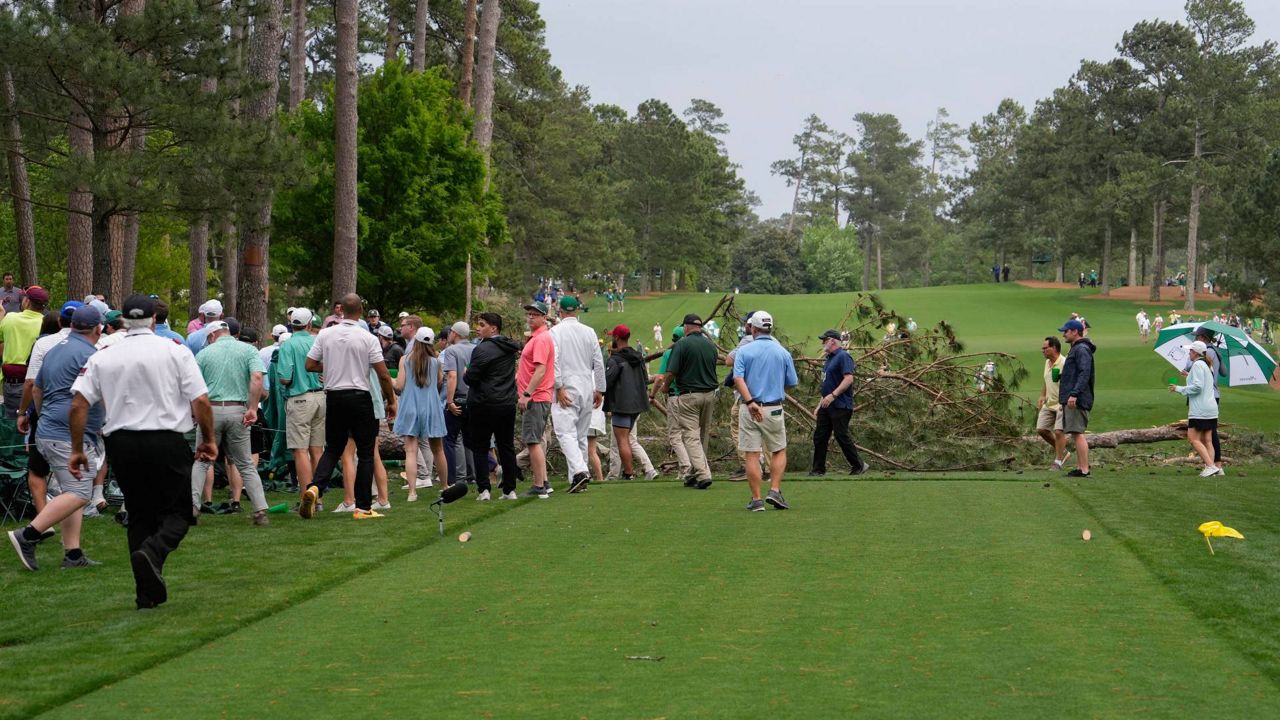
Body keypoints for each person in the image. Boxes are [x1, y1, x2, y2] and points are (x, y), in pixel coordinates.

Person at [67, 295, 216, 609]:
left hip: (122, 442)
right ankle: (154, 552)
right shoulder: (174, 350)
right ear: (153, 320)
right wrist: (208, 439)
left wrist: (78, 449)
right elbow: (200, 401)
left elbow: (79, 404)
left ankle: (146, 593)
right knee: (179, 514)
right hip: (165, 438)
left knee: (139, 514)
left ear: (121, 321)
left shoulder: (104, 353)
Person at [8, 305, 107, 571]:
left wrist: (45, 417)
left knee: (71, 492)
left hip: (48, 430)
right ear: (98, 329)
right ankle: (27, 535)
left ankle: (72, 554)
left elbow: (37, 389)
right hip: (70, 435)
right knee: (80, 493)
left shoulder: (52, 350)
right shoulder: (90, 355)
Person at [298, 294, 397, 520]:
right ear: (361, 310)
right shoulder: (367, 337)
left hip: (334, 396)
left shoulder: (325, 334)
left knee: (333, 447)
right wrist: (391, 400)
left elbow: (309, 364)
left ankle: (315, 487)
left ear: (340, 310)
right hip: (359, 396)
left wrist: (330, 367)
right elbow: (382, 373)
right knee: (365, 451)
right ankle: (362, 507)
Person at [188, 320, 270, 525]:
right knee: (244, 463)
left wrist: (193, 414)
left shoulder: (204, 354)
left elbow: (194, 389)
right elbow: (257, 378)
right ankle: (260, 509)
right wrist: (252, 408)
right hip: (238, 409)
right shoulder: (248, 350)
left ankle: (192, 507)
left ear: (211, 336)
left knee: (202, 461)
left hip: (210, 410)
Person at [17, 301, 81, 514]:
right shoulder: (90, 345)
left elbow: (31, 383)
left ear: (60, 321)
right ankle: (69, 512)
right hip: (81, 413)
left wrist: (25, 412)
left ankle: (44, 515)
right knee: (75, 469)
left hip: (48, 413)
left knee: (37, 469)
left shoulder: (44, 344)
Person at [732, 311, 798, 511]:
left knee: (752, 454)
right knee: (778, 449)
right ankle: (775, 490)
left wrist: (751, 400)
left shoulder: (744, 351)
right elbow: (792, 382)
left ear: (753, 328)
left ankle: (757, 499)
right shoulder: (782, 352)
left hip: (748, 408)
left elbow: (737, 378)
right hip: (774, 408)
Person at [653, 313, 718, 489]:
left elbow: (671, 371)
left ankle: (703, 474)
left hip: (689, 395)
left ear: (686, 327)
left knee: (690, 435)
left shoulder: (681, 345)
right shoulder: (710, 345)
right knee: (702, 434)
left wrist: (665, 387)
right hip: (710, 394)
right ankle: (693, 473)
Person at [549, 295, 605, 494]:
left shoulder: (555, 332)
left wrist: (558, 386)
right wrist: (599, 388)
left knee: (565, 432)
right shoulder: (589, 332)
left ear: (561, 312)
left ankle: (580, 471)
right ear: (576, 311)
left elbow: (553, 361)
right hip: (586, 386)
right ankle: (577, 479)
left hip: (567, 384)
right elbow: (598, 363)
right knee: (580, 435)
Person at [464, 312, 522, 500]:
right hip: (506, 402)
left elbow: (472, 378)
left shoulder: (482, 349)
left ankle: (484, 489)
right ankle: (510, 489)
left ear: (493, 328)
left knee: (480, 447)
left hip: (483, 403)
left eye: (482, 325)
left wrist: (466, 372)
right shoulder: (509, 347)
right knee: (506, 446)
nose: (478, 328)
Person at [276, 308, 327, 508]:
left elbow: (285, 378)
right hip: (320, 397)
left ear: (292, 324)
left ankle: (307, 499)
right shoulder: (317, 341)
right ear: (309, 324)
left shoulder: (288, 345)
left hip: (299, 399)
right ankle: (319, 497)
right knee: (317, 450)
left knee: (300, 451)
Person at [392, 327, 450, 502]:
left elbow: (399, 386)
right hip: (432, 407)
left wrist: (390, 380)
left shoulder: (405, 360)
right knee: (438, 450)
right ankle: (445, 487)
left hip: (410, 406)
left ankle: (412, 492)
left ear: (415, 340)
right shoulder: (436, 362)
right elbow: (440, 382)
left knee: (410, 450)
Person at [810, 329, 865, 476]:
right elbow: (827, 384)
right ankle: (818, 469)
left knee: (841, 435)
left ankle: (858, 465)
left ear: (832, 341)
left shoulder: (843, 356)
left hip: (840, 405)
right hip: (826, 405)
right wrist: (819, 404)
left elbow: (848, 379)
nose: (822, 343)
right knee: (820, 436)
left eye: (824, 340)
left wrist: (833, 396)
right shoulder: (829, 359)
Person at [517, 301, 556, 498]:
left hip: (536, 396)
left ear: (543, 317)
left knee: (532, 441)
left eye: (535, 314)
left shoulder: (541, 339)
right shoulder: (536, 337)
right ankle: (544, 482)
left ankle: (539, 485)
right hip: (538, 396)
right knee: (536, 440)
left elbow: (540, 370)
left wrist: (526, 394)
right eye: (529, 314)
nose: (530, 317)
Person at [1169, 340, 1223, 477]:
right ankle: (1213, 468)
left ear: (1196, 352)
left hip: (1200, 409)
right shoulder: (1206, 364)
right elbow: (1204, 382)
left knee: (1193, 438)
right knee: (1208, 440)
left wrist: (1178, 389)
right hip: (1211, 408)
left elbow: (1198, 387)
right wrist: (1189, 376)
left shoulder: (1198, 364)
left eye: (1190, 351)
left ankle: (1210, 466)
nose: (1189, 353)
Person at [603, 325, 649, 480]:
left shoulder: (615, 359)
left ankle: (628, 473)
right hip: (637, 403)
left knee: (622, 439)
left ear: (616, 338)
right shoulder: (639, 356)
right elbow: (645, 379)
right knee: (627, 438)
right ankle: (630, 471)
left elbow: (607, 381)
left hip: (621, 403)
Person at [1, 284, 48, 418]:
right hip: (40, 382)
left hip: (14, 381)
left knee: (13, 423)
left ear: (27, 301)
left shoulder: (9, 318)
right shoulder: (45, 323)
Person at [440, 321, 476, 487]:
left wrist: (449, 401)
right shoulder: (476, 349)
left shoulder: (451, 351)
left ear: (455, 333)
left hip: (458, 398)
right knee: (470, 439)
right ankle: (475, 474)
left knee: (450, 440)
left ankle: (453, 479)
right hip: (474, 399)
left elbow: (452, 376)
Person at [1058, 318, 1096, 478]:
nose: (1063, 335)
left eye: (1066, 332)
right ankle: (1081, 467)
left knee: (1078, 433)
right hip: (1072, 396)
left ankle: (1084, 469)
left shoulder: (1081, 349)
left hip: (1078, 398)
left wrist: (1074, 394)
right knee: (1075, 433)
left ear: (1074, 332)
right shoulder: (1077, 349)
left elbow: (1084, 372)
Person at [1182, 325, 1224, 467]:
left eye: (1197, 336)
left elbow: (1192, 369)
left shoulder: (1206, 355)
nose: (1195, 338)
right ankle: (1213, 465)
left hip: (1205, 397)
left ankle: (1215, 465)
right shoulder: (1216, 352)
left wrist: (1182, 387)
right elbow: (1222, 372)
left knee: (1209, 436)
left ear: (1203, 338)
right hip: (1212, 395)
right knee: (1209, 436)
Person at [652, 326, 690, 480]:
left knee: (675, 435)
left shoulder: (669, 353)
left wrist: (652, 394)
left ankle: (686, 467)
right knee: (690, 433)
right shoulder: (691, 352)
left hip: (675, 396)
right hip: (692, 396)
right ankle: (692, 466)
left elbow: (660, 377)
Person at [1036, 336, 1069, 469]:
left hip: (1062, 402)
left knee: (1059, 431)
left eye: (1045, 348)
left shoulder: (1065, 363)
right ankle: (1064, 452)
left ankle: (1058, 461)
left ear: (1054, 348)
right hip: (1049, 402)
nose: (1042, 350)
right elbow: (1047, 379)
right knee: (1041, 429)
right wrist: (1042, 395)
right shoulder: (1047, 363)